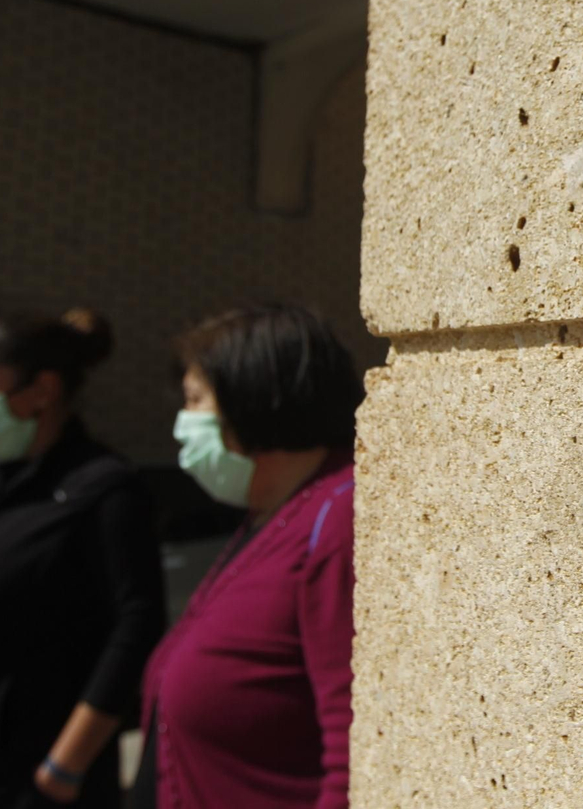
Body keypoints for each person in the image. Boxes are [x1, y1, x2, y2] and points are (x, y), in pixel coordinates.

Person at [0, 310, 166, 809]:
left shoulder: (101, 490)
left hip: (21, 786)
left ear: (42, 390)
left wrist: (65, 767)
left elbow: (136, 626)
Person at [132, 304, 360, 809]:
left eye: (194, 402)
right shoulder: (269, 512)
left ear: (254, 401)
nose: (181, 424)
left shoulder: (336, 517)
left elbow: (353, 746)